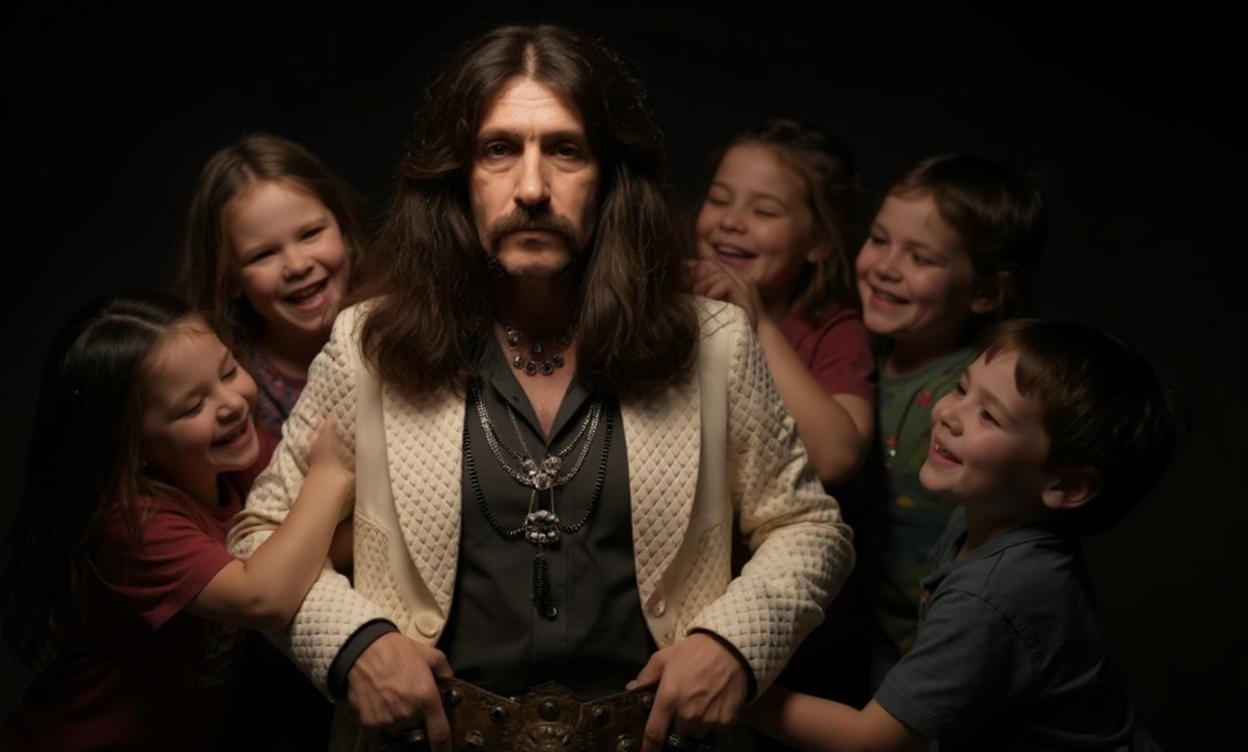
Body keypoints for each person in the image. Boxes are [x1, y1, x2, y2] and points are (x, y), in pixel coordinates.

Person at [228, 23, 854, 752]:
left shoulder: (714, 343)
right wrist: (352, 644)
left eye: (565, 150)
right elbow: (259, 536)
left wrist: (734, 646)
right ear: (458, 176)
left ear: (610, 175)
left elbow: (810, 528)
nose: (531, 188)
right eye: (499, 150)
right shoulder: (369, 343)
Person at [746, 319, 1177, 751]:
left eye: (989, 415)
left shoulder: (994, 593)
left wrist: (741, 689)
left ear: (1066, 485)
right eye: (961, 388)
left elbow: (872, 739)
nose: (947, 414)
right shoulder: (979, 518)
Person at [0, 289, 352, 749]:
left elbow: (309, 548)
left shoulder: (238, 460)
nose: (231, 403)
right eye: (191, 406)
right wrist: (328, 475)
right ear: (130, 442)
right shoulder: (130, 524)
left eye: (228, 371)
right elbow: (262, 597)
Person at [854, 155, 1044, 682]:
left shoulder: (978, 396)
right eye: (879, 239)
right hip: (873, 638)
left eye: (921, 257)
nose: (886, 266)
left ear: (986, 293)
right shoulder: (855, 351)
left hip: (947, 650)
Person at [692, 118, 875, 487]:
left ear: (819, 242)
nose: (731, 221)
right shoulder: (664, 297)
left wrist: (759, 324)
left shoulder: (833, 331)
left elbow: (836, 459)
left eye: (765, 211)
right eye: (719, 200)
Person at [176, 132, 367, 448]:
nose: (297, 265)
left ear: (343, 230)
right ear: (230, 279)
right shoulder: (235, 393)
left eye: (310, 233)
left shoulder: (399, 329)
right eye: (263, 255)